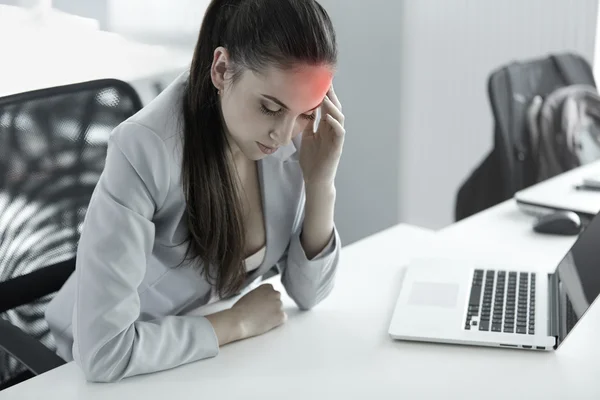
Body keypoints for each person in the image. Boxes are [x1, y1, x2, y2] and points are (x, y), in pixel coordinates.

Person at [44, 0, 344, 383]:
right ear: (221, 69)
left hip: (199, 363)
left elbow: (309, 294)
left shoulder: (296, 139)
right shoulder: (144, 149)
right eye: (270, 108)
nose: (284, 136)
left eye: (305, 113)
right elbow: (105, 352)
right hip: (92, 370)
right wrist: (234, 323)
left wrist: (321, 183)